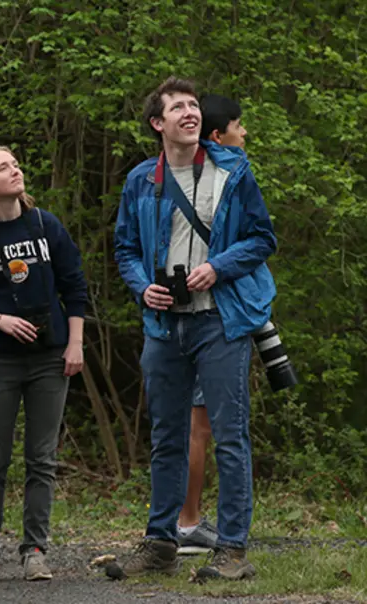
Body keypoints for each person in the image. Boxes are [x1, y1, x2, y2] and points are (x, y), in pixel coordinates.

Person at [108, 78, 276, 582]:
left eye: (194, 106)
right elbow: (126, 250)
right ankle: (161, 543)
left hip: (219, 320)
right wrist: (142, 287)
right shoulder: (142, 179)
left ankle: (232, 551)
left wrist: (217, 266)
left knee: (229, 435)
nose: (190, 113)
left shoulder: (233, 169)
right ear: (158, 124)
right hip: (164, 324)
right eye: (177, 107)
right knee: (166, 436)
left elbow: (262, 237)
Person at [0, 146, 88, 584]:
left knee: (41, 458)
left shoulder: (46, 226)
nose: (16, 170)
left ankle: (35, 550)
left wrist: (75, 345)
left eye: (16, 164)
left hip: (50, 357)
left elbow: (75, 288)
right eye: (3, 167)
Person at [176, 94, 248, 555]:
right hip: (209, 314)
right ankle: (187, 522)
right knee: (199, 428)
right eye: (239, 127)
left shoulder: (224, 177)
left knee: (199, 425)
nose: (245, 135)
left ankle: (189, 522)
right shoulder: (218, 179)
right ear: (218, 136)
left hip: (220, 314)